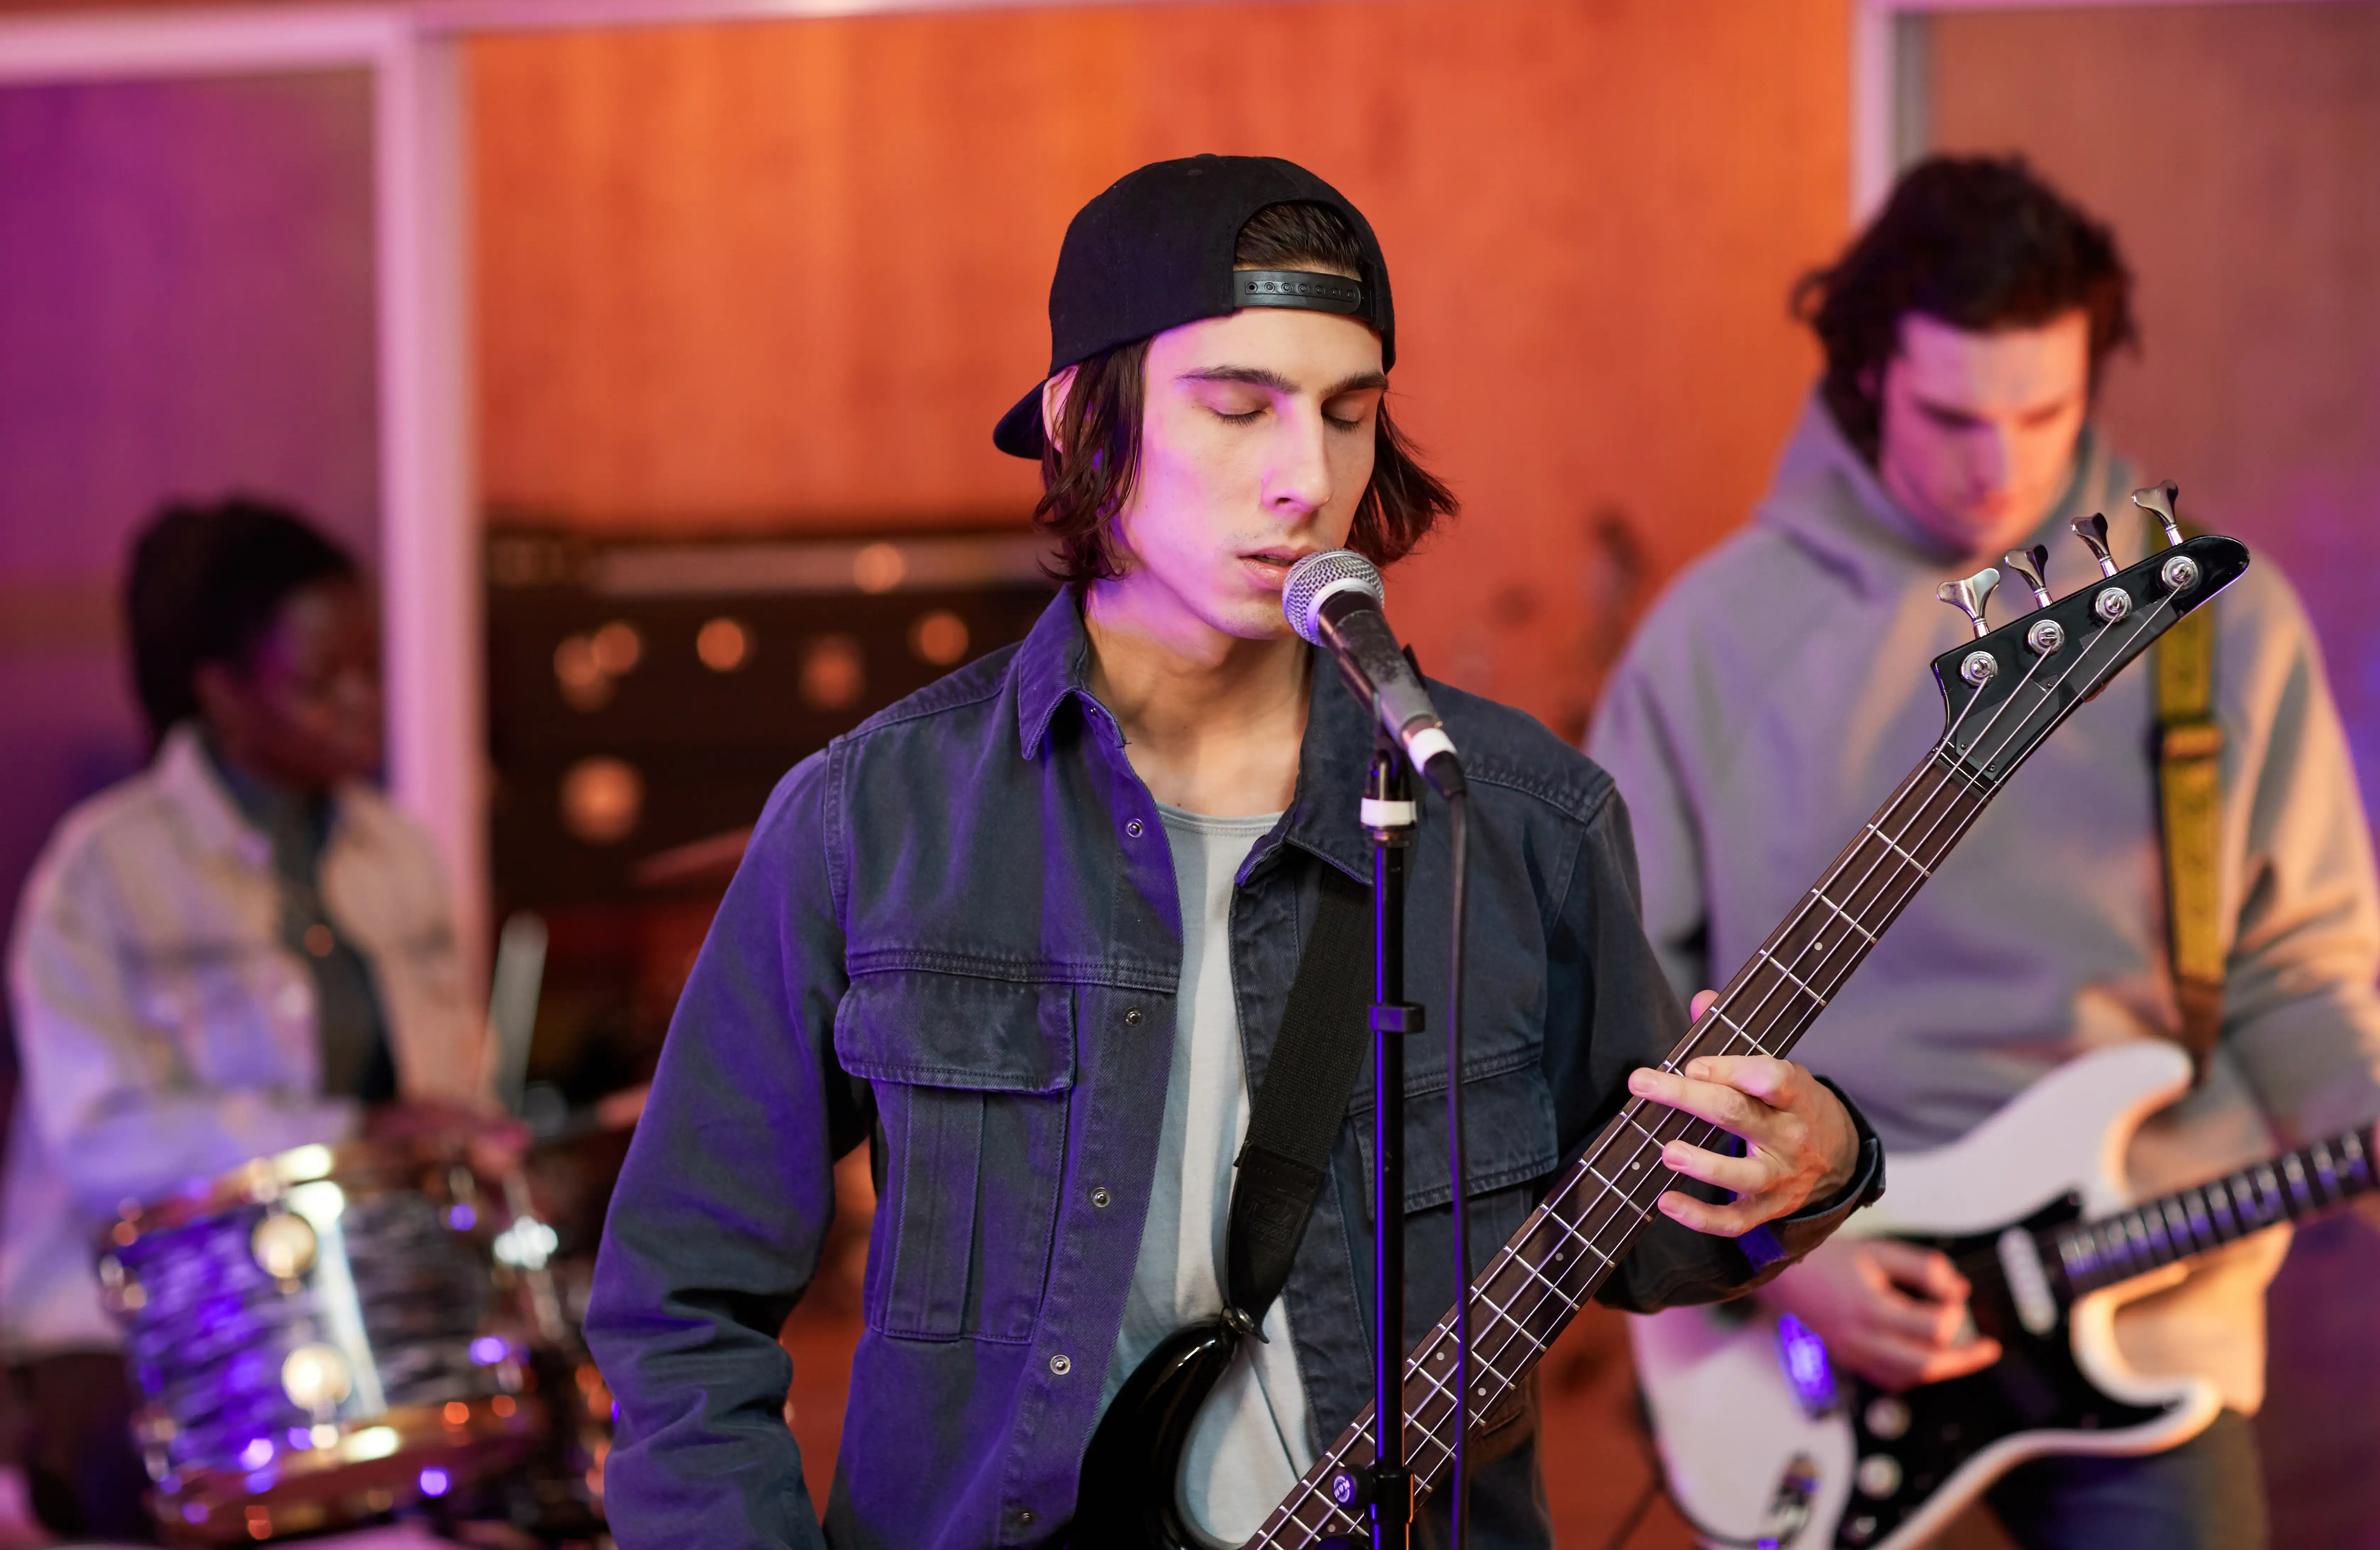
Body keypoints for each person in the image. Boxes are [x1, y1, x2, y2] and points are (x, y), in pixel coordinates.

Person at [588, 154, 1885, 1549]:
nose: (1306, 478)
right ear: (1088, 419)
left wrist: (1815, 1165)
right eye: (1238, 406)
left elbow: (1625, 1233)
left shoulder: (1519, 814)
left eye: (1349, 413)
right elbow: (681, 1301)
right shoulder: (874, 821)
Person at [1590, 155, 2380, 1549]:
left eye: (2046, 413)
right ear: (1868, 373)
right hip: (1801, 1317)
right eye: (1955, 414)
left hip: (2145, 1304)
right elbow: (1618, 996)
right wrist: (1774, 1257)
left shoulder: (2211, 620)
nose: (2001, 464)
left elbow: (2304, 965)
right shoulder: (1715, 634)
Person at [1, 499, 498, 1539]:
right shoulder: (102, 872)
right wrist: (350, 1136)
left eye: (372, 667)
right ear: (221, 694)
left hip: (361, 1312)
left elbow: (449, 1082)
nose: (366, 705)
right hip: (132, 1325)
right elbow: (102, 1140)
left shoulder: (397, 853)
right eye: (322, 684)